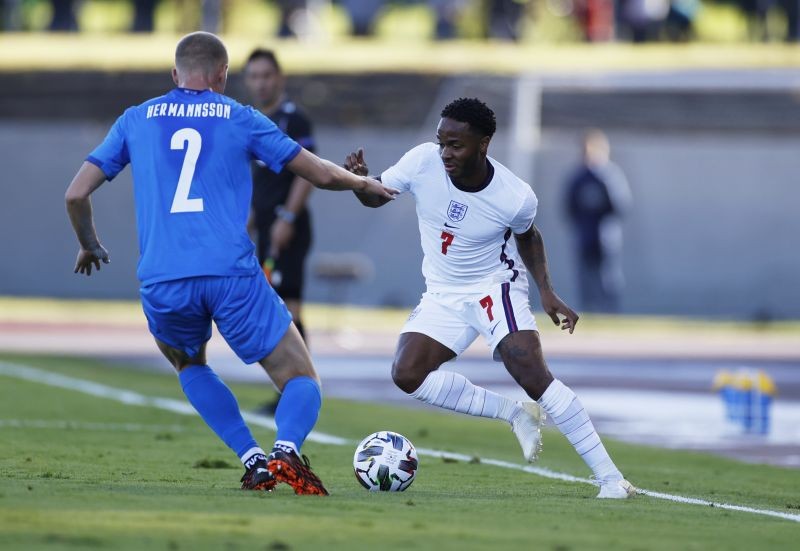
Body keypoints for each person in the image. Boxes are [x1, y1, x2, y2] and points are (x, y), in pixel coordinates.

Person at [65, 31, 396, 496]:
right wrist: (364, 184)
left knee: (191, 366)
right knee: (299, 376)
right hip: (231, 273)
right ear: (222, 75)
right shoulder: (241, 117)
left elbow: (76, 194)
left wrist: (89, 244)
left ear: (174, 74)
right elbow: (319, 173)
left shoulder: (135, 119)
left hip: (164, 278)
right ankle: (285, 450)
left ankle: (252, 459)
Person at [344, 98, 635, 499]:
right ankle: (513, 414)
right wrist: (361, 182)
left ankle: (611, 479)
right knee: (406, 374)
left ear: (484, 143)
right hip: (442, 293)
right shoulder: (422, 161)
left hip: (494, 288)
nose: (446, 152)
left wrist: (547, 292)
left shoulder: (514, 195)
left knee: (532, 376)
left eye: (456, 145)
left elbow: (528, 236)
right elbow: (378, 195)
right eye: (442, 142)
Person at [243, 49, 314, 344]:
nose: (261, 83)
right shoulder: (251, 121)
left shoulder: (293, 119)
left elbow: (307, 172)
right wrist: (249, 219)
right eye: (255, 77)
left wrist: (286, 217)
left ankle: (304, 384)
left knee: (289, 307)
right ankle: (289, 385)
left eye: (267, 75)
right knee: (272, 307)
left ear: (280, 78)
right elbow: (255, 178)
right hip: (264, 227)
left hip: (288, 227)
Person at [564, 129, 631, 313]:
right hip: (585, 235)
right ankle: (589, 311)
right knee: (585, 277)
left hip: (605, 237)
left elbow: (620, 206)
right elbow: (569, 206)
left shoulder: (609, 176)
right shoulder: (578, 177)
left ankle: (610, 312)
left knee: (607, 278)